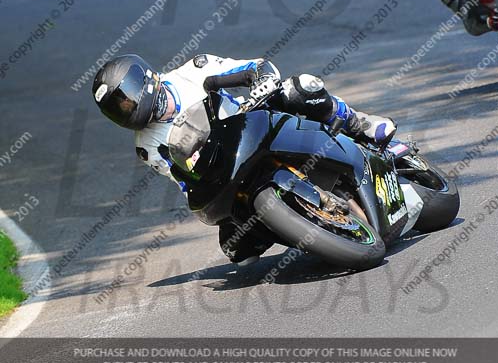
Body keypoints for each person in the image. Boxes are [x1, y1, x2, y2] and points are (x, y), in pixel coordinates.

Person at [92, 53, 396, 263]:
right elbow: (184, 180)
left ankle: (358, 123)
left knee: (299, 87)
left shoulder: (193, 71)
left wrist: (260, 80)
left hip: (256, 122)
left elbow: (257, 67)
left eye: (126, 99)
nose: (127, 109)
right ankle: (310, 227)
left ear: (143, 80)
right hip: (227, 167)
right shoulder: (147, 146)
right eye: (117, 109)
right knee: (237, 247)